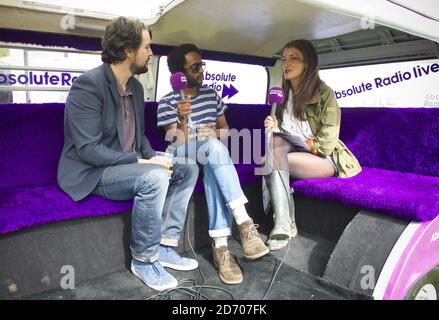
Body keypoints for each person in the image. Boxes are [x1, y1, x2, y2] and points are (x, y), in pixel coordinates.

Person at [57, 17, 200, 292]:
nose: (151, 52)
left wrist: (154, 157)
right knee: (155, 176)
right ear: (127, 51)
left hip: (128, 166)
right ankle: (144, 260)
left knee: (187, 167)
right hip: (92, 172)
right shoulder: (88, 85)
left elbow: (139, 136)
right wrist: (145, 162)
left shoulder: (135, 87)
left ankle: (165, 245)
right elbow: (88, 150)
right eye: (147, 47)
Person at [157, 44, 269, 285]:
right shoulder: (167, 102)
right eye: (195, 67)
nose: (201, 71)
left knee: (213, 166)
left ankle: (221, 249)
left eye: (202, 65)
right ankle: (245, 223)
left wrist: (216, 134)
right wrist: (182, 118)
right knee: (214, 150)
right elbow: (175, 142)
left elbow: (226, 131)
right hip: (182, 155)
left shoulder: (211, 95)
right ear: (180, 74)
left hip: (211, 154)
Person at [263, 39, 362, 251]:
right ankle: (283, 222)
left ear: (307, 63)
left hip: (325, 159)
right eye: (284, 59)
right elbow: (286, 129)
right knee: (276, 143)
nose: (286, 64)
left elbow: (326, 144)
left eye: (293, 58)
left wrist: (297, 141)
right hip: (294, 150)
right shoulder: (282, 93)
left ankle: (284, 222)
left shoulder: (325, 94)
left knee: (274, 158)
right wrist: (275, 125)